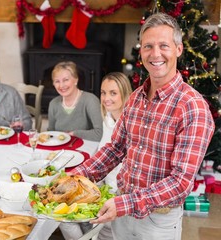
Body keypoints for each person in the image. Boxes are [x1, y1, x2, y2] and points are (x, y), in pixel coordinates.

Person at [70, 12, 215, 240]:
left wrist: (126, 203)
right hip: (122, 209)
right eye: (148, 46)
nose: (155, 54)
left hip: (157, 221)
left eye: (163, 45)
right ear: (141, 52)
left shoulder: (192, 107)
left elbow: (181, 183)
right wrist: (78, 175)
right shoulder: (137, 97)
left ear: (178, 49)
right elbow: (116, 148)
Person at [59, 72, 132, 240]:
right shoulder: (108, 119)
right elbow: (103, 157)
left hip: (119, 195)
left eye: (113, 93)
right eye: (103, 92)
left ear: (125, 94)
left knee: (66, 216)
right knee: (62, 208)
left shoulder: (129, 125)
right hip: (103, 187)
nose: (106, 98)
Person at [47, 61, 103, 141]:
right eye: (57, 81)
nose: (61, 85)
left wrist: (74, 134)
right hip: (61, 150)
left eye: (66, 80)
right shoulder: (53, 104)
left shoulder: (90, 100)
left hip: (86, 149)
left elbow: (100, 133)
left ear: (76, 80)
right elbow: (51, 133)